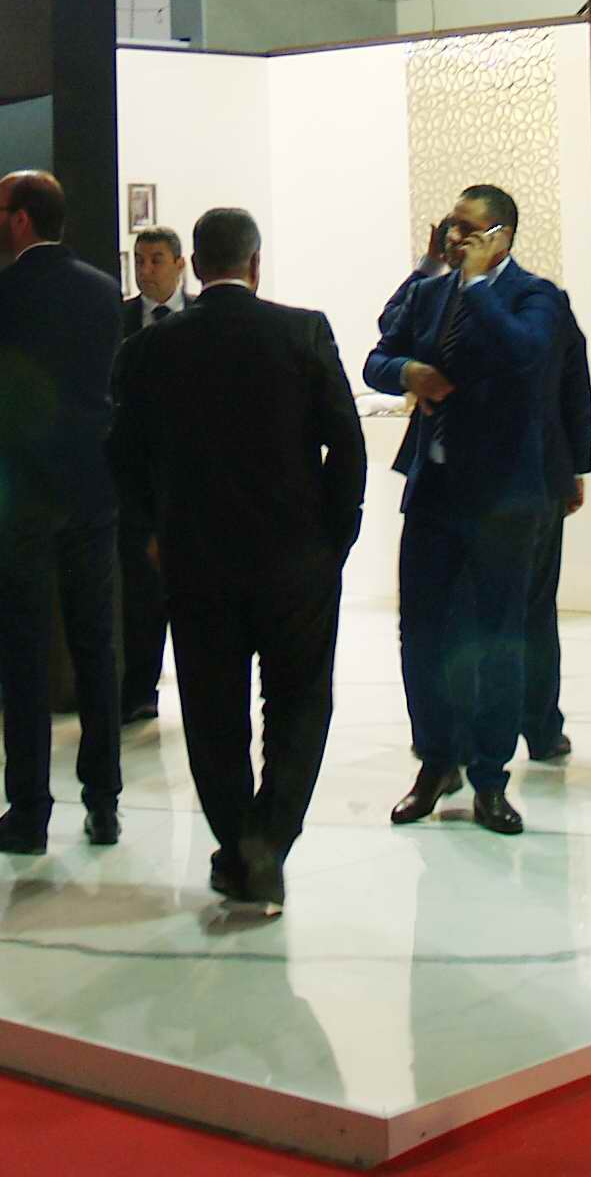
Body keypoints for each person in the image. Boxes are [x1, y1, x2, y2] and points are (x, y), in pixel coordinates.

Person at [108, 207, 365, 919]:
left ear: (195, 263)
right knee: (300, 700)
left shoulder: (150, 349)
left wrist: (151, 533)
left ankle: (239, 843)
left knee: (212, 709)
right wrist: (336, 538)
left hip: (196, 560)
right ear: (256, 263)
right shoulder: (302, 331)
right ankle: (268, 842)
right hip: (296, 558)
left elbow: (122, 457)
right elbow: (346, 442)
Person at [363, 185, 567, 837]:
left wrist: (478, 287)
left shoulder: (536, 297)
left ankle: (490, 777)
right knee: (421, 632)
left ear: (500, 238)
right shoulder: (429, 293)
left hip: (503, 499)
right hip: (434, 490)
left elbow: (524, 356)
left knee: (498, 638)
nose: (453, 238)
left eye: (468, 229)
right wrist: (408, 374)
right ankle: (435, 762)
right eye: (451, 226)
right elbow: (376, 358)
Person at [0, 170, 124, 855]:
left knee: (23, 655)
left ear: (20, 219)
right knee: (94, 649)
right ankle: (103, 804)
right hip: (90, 488)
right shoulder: (103, 291)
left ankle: (29, 814)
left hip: (16, 493)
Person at [111, 225, 189, 730]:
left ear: (180, 264)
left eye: (156, 259)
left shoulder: (203, 317)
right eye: (139, 260)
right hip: (134, 474)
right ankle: (140, 691)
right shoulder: (117, 320)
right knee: (139, 590)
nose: (146, 270)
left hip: (191, 474)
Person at [519, 287, 591, 766]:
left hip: (535, 476)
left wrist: (575, 466)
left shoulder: (541, 300)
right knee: (524, 609)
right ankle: (535, 728)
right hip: (478, 478)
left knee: (531, 608)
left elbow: (574, 383)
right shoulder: (438, 294)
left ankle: (540, 726)